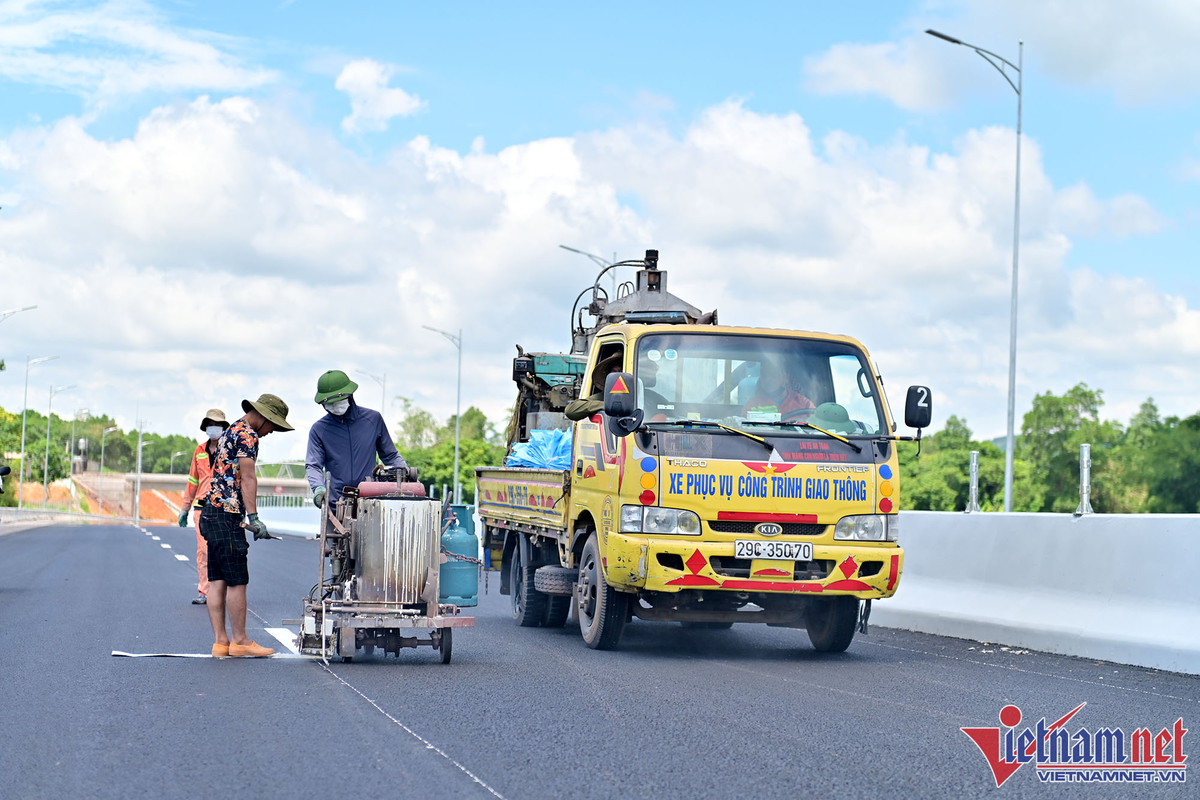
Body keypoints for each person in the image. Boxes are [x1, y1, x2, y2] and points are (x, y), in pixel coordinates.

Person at [200, 393, 294, 658]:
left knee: (217, 580)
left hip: (211, 513)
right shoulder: (248, 435)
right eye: (273, 425)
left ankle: (221, 643)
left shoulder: (231, 432)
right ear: (263, 417)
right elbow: (248, 476)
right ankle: (240, 640)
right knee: (237, 580)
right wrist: (253, 517)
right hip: (228, 516)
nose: (271, 432)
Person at [305, 369, 407, 509]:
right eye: (330, 403)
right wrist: (318, 487)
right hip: (336, 505)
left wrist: (407, 475)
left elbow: (390, 455)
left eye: (338, 401)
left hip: (371, 502)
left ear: (350, 395)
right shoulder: (319, 430)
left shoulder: (373, 420)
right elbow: (313, 465)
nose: (335, 406)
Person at [177, 408, 230, 605]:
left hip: (224, 509)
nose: (213, 428)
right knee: (204, 551)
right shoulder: (199, 451)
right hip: (201, 508)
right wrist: (185, 508)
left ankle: (222, 592)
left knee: (223, 550)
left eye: (217, 425)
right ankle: (205, 592)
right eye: (210, 424)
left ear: (224, 427)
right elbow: (192, 481)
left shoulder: (230, 450)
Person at [742, 358, 815, 420]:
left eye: (773, 375)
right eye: (764, 375)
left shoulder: (805, 405)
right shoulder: (752, 405)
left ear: (786, 378)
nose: (768, 379)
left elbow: (817, 429)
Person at [565, 350, 623, 421]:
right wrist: (607, 406)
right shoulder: (606, 396)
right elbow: (570, 410)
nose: (618, 376)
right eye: (614, 372)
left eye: (621, 371)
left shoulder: (638, 394)